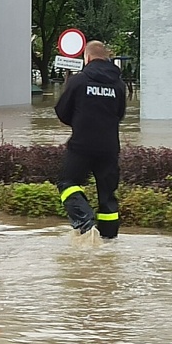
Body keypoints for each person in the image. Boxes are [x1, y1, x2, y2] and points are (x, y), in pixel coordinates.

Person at [54, 40, 126, 238]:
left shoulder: (78, 81)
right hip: (110, 147)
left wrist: (78, 122)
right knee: (107, 195)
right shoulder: (118, 84)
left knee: (66, 183)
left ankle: (85, 222)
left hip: (81, 146)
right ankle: (109, 240)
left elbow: (62, 111)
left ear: (87, 58)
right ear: (106, 58)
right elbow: (120, 114)